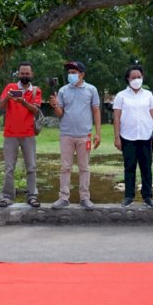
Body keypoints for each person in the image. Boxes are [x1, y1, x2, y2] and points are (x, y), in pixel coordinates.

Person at [49, 60, 101, 209]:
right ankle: (63, 197)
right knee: (65, 167)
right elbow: (60, 113)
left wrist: (98, 133)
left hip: (85, 135)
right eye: (69, 72)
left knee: (84, 167)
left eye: (74, 72)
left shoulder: (91, 89)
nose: (71, 75)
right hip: (66, 134)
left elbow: (96, 111)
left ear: (82, 74)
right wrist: (55, 105)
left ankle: (85, 198)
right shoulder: (63, 90)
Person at [112, 65, 153, 207]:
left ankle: (147, 196)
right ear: (128, 79)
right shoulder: (121, 96)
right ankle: (129, 196)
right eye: (133, 77)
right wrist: (117, 137)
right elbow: (116, 117)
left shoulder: (148, 95)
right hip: (127, 137)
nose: (136, 79)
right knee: (129, 167)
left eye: (139, 77)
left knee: (146, 167)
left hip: (146, 136)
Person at [0, 62, 42, 208]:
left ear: (32, 74)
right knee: (9, 167)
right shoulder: (10, 87)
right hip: (10, 134)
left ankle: (32, 196)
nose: (25, 76)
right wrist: (8, 98)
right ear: (18, 74)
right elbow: (1, 107)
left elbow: (35, 110)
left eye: (27, 73)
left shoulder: (35, 91)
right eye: (22, 73)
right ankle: (8, 197)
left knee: (31, 167)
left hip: (28, 134)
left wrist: (23, 102)